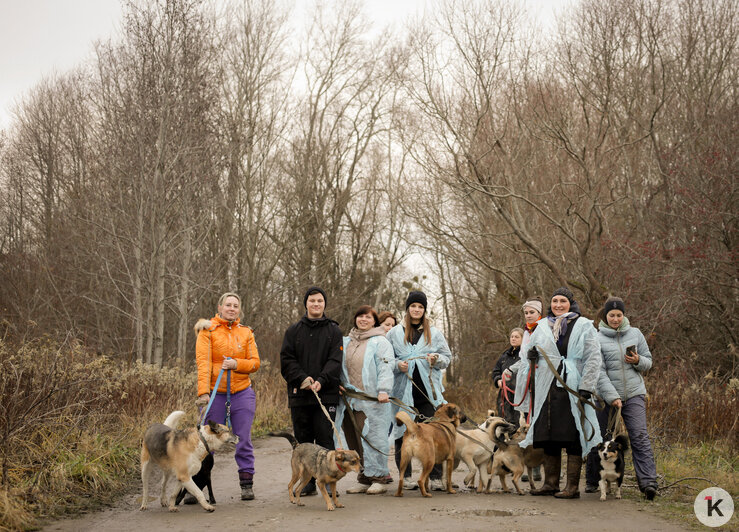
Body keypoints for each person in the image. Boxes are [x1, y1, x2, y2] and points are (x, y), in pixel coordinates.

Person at [517, 287, 602, 499]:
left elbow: (593, 357)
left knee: (573, 434)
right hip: (547, 385)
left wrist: (587, 386)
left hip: (572, 385)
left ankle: (572, 487)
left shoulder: (583, 325)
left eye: (562, 301)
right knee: (547, 434)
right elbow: (531, 354)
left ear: (570, 303)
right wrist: (532, 355)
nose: (558, 305)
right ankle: (551, 483)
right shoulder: (542, 326)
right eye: (554, 301)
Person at [585, 296, 658, 500]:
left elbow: (648, 362)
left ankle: (648, 483)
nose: (615, 319)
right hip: (606, 397)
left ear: (623, 315)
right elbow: (598, 372)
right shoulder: (597, 338)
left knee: (640, 436)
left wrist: (638, 360)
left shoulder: (635, 334)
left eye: (619, 315)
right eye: (612, 315)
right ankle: (592, 480)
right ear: (605, 316)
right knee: (600, 438)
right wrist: (612, 397)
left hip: (634, 393)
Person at [195, 292, 260, 500]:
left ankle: (246, 483)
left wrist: (236, 364)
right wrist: (204, 393)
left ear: (239, 310)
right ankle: (198, 486)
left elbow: (254, 363)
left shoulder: (246, 332)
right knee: (206, 442)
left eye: (235, 305)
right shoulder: (208, 331)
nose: (232, 308)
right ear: (220, 307)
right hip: (215, 394)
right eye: (228, 305)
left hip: (242, 393)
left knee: (243, 438)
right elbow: (203, 364)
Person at [279, 286, 343, 496]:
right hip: (300, 395)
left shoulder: (334, 330)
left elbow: (335, 360)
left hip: (326, 395)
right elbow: (287, 360)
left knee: (325, 440)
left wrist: (322, 380)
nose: (316, 304)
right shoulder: (293, 331)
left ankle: (328, 482)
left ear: (325, 304)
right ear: (306, 303)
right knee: (304, 441)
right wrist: (303, 379)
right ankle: (306, 483)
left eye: (320, 301)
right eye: (312, 301)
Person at [387, 290, 453, 491]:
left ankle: (434, 477)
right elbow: (386, 360)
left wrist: (436, 359)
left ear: (424, 310)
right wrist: (398, 365)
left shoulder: (434, 332)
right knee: (403, 433)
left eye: (420, 307)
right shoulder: (394, 333)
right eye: (413, 306)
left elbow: (447, 357)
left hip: (427, 392)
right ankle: (404, 476)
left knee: (431, 434)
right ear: (407, 308)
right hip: (402, 390)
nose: (416, 310)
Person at [336, 305, 394, 495]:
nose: (363, 320)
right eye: (360, 316)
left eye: (368, 317)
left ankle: (379, 477)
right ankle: (364, 477)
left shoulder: (380, 342)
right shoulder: (347, 341)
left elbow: (386, 366)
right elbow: (338, 365)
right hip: (350, 400)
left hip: (373, 400)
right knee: (354, 438)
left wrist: (383, 390)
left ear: (374, 321)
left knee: (373, 438)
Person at [492, 328, 524, 427]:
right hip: (504, 395)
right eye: (512, 337)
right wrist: (498, 380)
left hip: (520, 394)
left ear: (523, 339)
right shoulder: (504, 356)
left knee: (518, 421)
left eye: (517, 337)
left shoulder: (525, 355)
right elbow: (496, 370)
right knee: (504, 421)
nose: (513, 339)